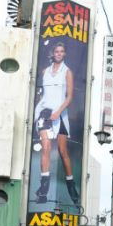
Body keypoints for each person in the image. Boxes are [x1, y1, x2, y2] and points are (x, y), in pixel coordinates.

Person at [33, 42, 79, 205]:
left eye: (62, 51)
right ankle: (43, 190)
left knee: (62, 151)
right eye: (57, 51)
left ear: (64, 54)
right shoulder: (44, 71)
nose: (59, 53)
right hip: (44, 113)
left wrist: (58, 112)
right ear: (53, 53)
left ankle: (71, 185)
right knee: (45, 147)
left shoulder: (67, 72)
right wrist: (40, 108)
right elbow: (42, 93)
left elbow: (70, 96)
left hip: (60, 114)